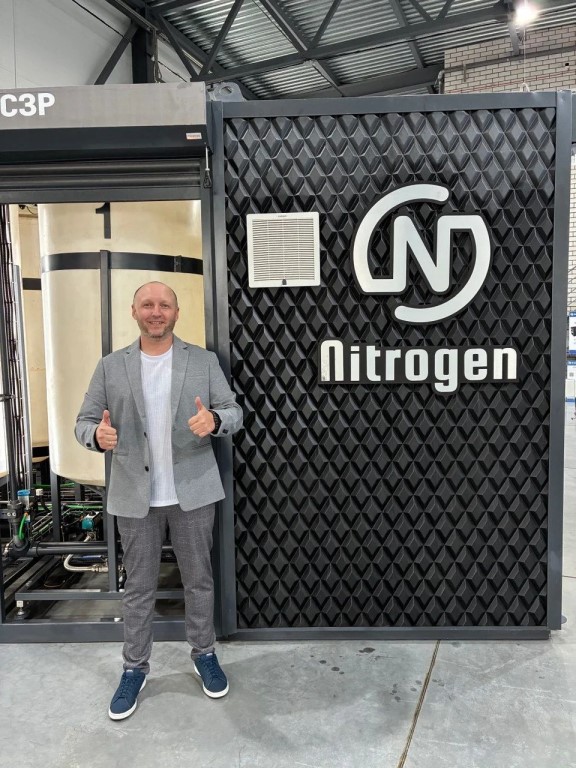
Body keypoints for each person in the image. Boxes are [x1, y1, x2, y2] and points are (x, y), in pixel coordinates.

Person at [75, 281, 243, 720]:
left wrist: (215, 420)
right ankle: (134, 667)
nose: (156, 311)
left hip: (193, 491)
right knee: (138, 587)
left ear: (176, 313)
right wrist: (96, 435)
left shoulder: (202, 361)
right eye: (147, 304)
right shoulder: (111, 366)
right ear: (133, 311)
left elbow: (234, 411)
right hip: (135, 495)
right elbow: (84, 421)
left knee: (199, 581)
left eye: (164, 305)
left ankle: (204, 654)